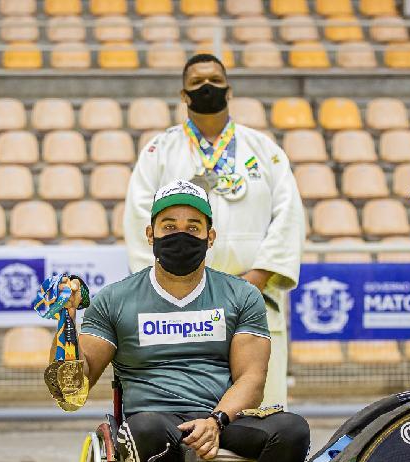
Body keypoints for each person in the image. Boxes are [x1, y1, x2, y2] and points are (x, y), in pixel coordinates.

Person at [53, 180, 310, 462]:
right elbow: (71, 391)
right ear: (149, 234)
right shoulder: (116, 300)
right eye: (168, 225)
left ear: (211, 237)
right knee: (148, 428)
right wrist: (66, 320)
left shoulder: (241, 294)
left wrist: (218, 420)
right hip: (154, 423)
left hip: (221, 418)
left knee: (292, 429)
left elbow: (251, 378)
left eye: (193, 227)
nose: (180, 234)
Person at [123, 53, 305, 410]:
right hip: (181, 300)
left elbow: (289, 216)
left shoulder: (264, 150)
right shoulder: (160, 151)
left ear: (229, 90)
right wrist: (169, 284)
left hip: (253, 293)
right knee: (186, 401)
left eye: (215, 81)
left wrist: (256, 278)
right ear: (184, 95)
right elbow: (139, 219)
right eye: (197, 83)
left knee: (261, 408)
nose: (207, 87)